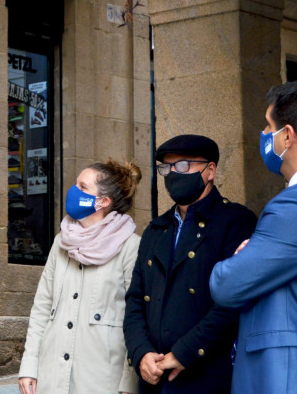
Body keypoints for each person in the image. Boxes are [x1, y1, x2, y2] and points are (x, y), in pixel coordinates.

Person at [210, 80, 297, 394]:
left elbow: (226, 285)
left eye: (268, 126)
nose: (264, 134)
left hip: (293, 377)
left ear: (287, 136)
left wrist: (239, 259)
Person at [124, 135, 257, 394]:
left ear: (210, 170)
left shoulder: (235, 222)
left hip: (206, 376)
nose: (173, 174)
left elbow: (232, 303)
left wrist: (183, 353)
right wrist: (142, 354)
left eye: (183, 165)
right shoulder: (155, 229)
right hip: (153, 378)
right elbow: (135, 301)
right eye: (167, 167)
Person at [18, 160, 142, 394]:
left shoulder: (131, 247)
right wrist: (29, 366)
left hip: (101, 381)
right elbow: (42, 307)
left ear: (103, 202)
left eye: (82, 187)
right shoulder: (61, 242)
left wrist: (129, 382)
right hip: (52, 377)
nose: (73, 192)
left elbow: (136, 318)